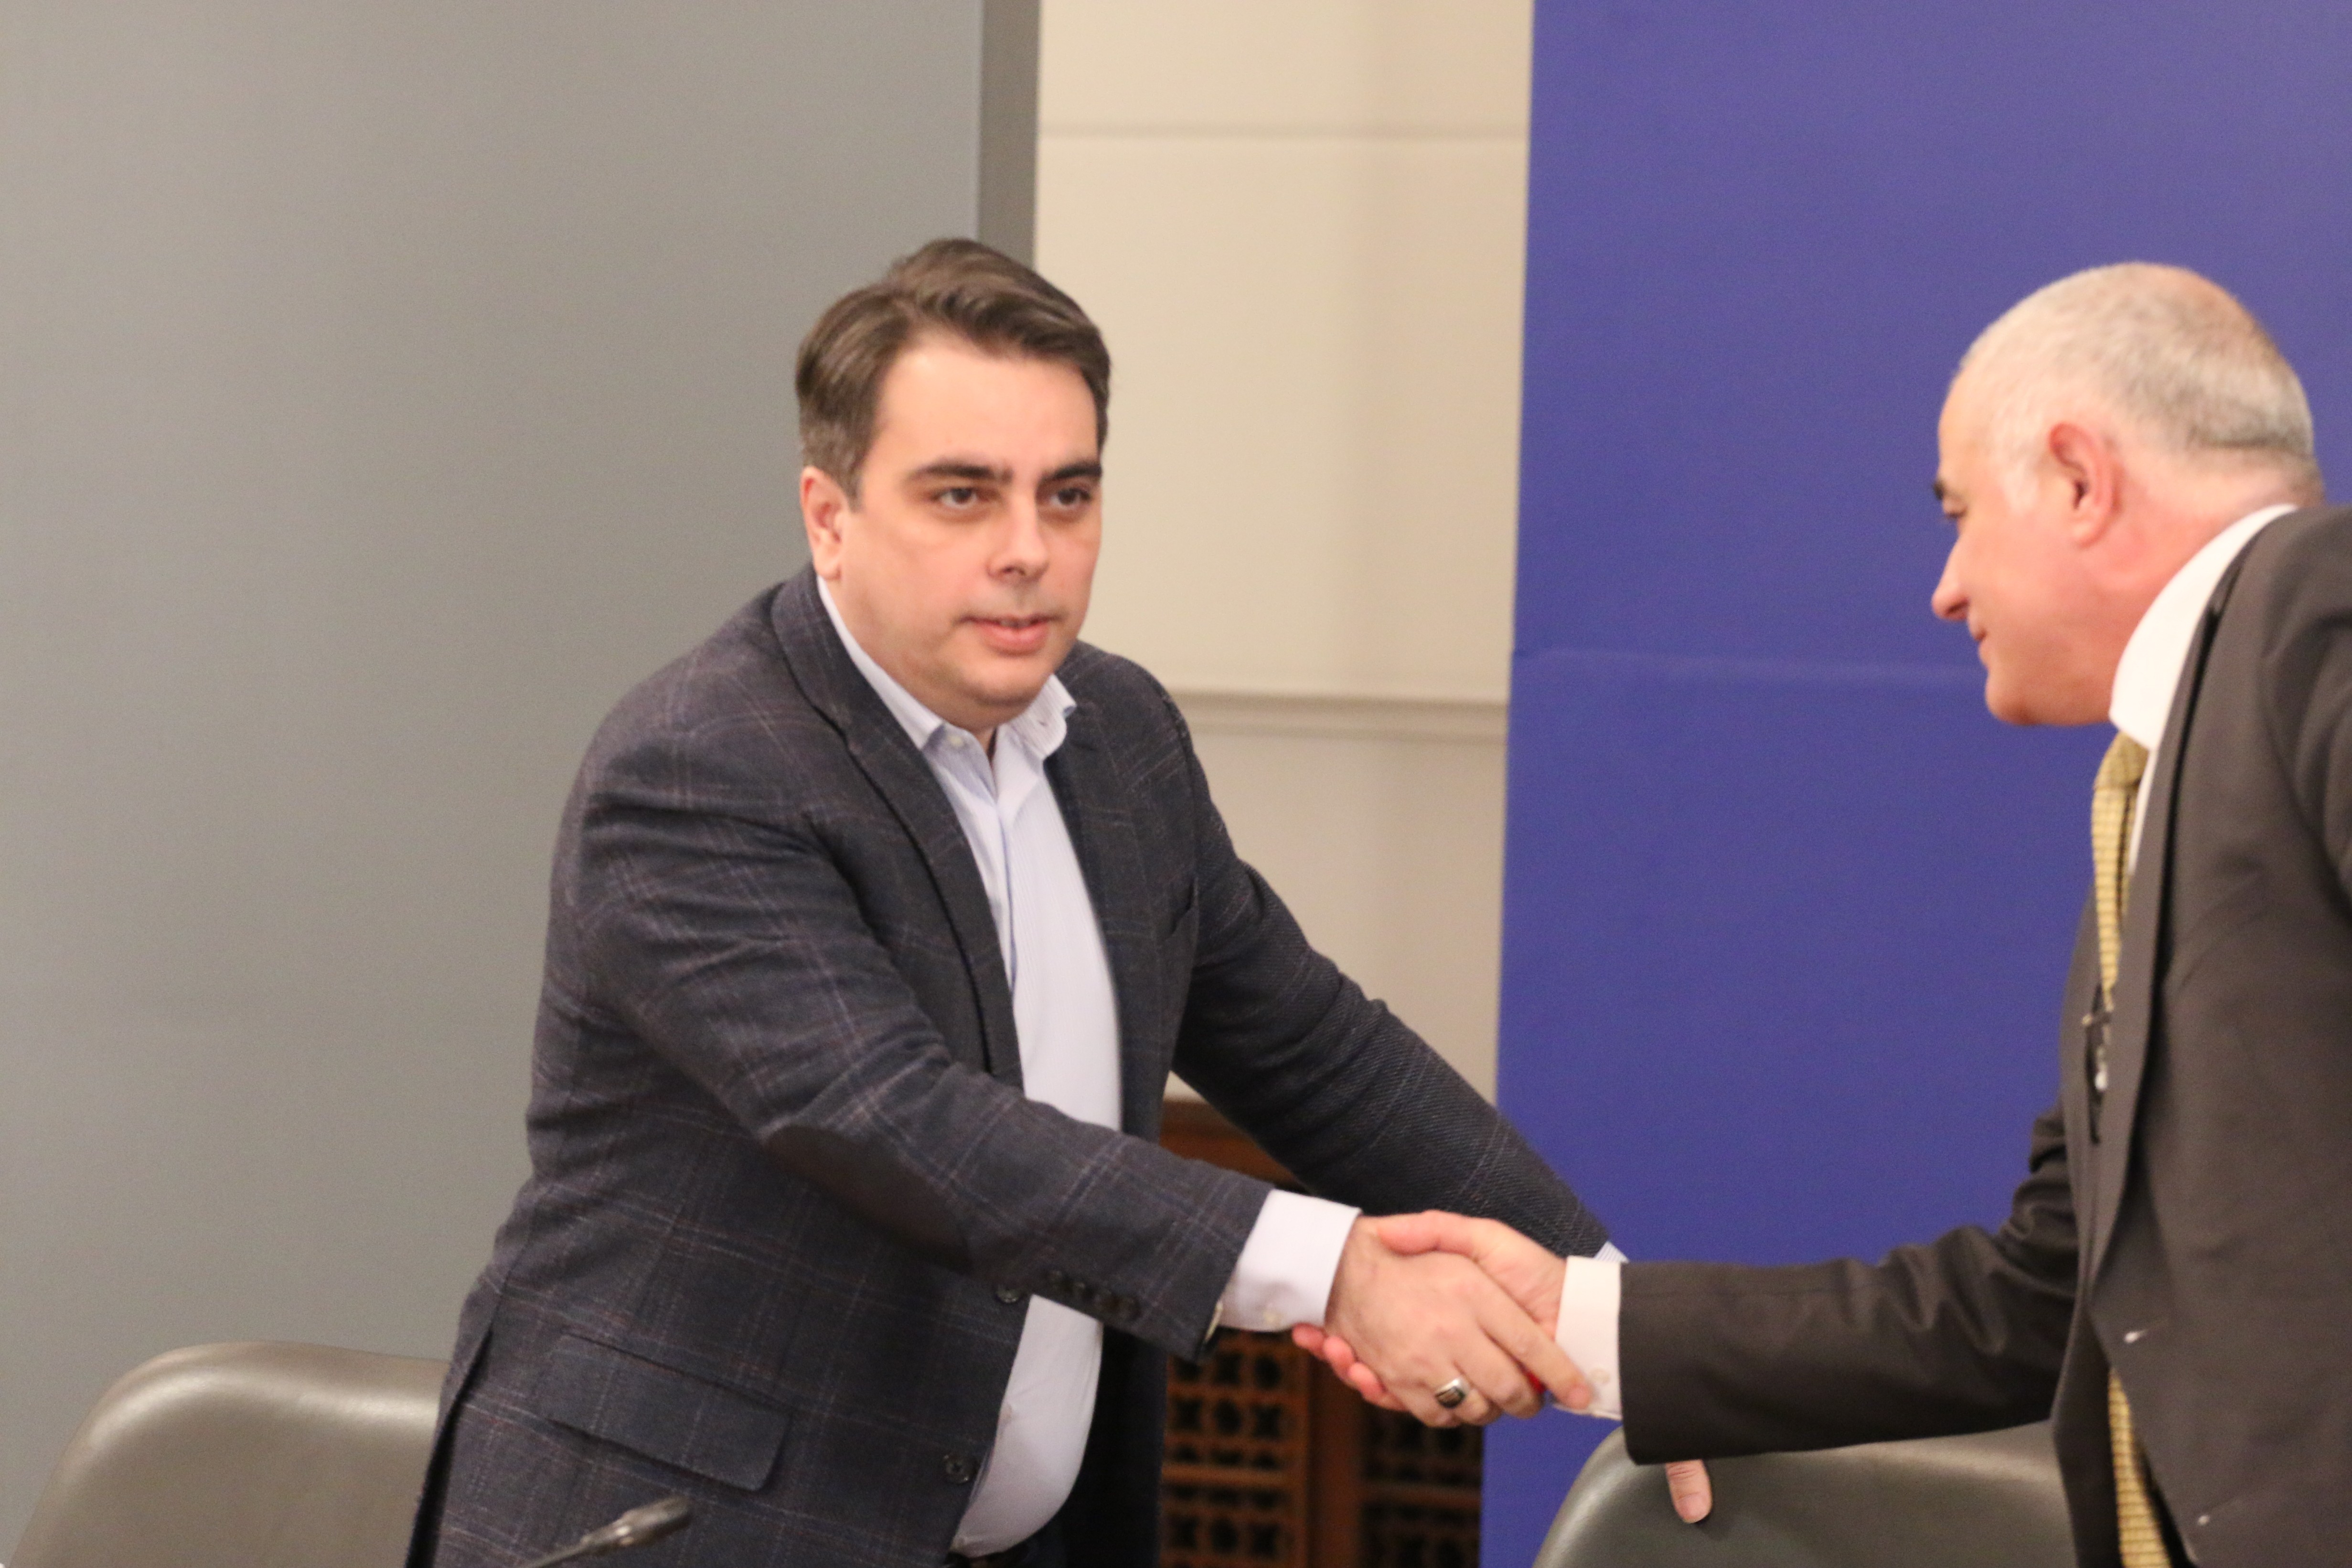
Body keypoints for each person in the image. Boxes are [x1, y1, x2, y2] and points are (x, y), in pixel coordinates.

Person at [405, 238, 1612, 1568]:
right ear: (828, 516)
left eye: (1067, 494)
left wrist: (1617, 1324)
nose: (1028, 551)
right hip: (689, 1535)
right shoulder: (699, 768)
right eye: (962, 496)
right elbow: (901, 1123)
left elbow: (1315, 1048)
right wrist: (1336, 1273)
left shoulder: (1120, 734)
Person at [1304, 263, 2345, 1568]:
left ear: (2080, 480)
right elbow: (2042, 1300)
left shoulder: (2318, 606)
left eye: (1960, 514)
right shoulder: (2153, 783)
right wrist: (1580, 1321)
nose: (1945, 587)